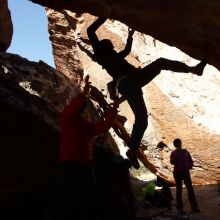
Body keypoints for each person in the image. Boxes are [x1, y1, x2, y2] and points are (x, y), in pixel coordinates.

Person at [87, 17, 208, 169]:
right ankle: (132, 150)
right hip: (128, 83)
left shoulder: (113, 56)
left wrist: (130, 36)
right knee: (142, 117)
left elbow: (126, 51)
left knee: (160, 63)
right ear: (104, 46)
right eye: (110, 45)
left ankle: (193, 70)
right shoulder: (102, 54)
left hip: (134, 80)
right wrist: (105, 14)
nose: (112, 46)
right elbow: (90, 30)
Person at [45, 75, 119, 220]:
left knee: (88, 195)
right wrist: (84, 94)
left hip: (81, 163)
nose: (84, 111)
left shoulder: (84, 125)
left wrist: (113, 110)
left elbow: (103, 127)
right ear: (82, 110)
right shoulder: (66, 118)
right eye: (83, 108)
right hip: (72, 163)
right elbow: (73, 108)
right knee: (65, 195)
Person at [170, 138, 200, 214]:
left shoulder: (186, 152)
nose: (179, 144)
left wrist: (190, 165)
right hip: (177, 173)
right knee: (179, 190)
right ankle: (180, 208)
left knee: (190, 189)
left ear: (181, 143)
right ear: (175, 145)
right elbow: (171, 162)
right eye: (177, 144)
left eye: (179, 143)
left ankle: (194, 207)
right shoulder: (173, 153)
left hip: (186, 172)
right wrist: (177, 154)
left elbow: (191, 161)